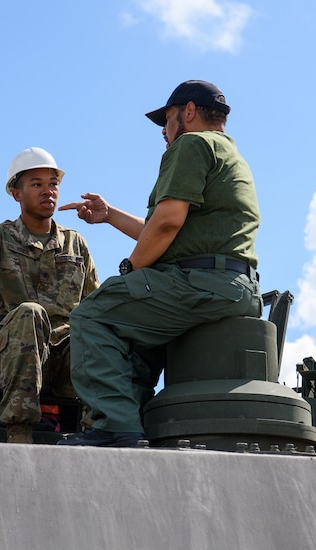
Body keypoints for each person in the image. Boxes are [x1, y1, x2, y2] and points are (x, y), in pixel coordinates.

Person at [57, 80, 262, 447]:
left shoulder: (192, 144)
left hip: (200, 282)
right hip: (229, 284)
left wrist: (129, 271)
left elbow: (167, 223)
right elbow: (169, 233)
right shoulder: (229, 153)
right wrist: (110, 215)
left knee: (93, 314)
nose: (164, 133)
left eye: (166, 121)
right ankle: (134, 425)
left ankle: (117, 428)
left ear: (188, 112)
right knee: (136, 332)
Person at [0, 147, 99, 444]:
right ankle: (20, 431)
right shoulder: (0, 237)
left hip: (66, 362)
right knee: (29, 311)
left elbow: (94, 306)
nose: (48, 191)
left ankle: (96, 430)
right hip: (14, 358)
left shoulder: (75, 244)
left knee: (96, 328)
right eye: (37, 184)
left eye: (53, 184)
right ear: (16, 193)